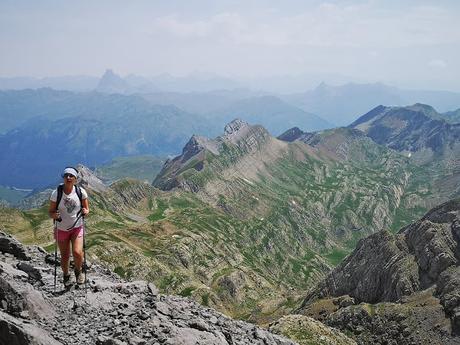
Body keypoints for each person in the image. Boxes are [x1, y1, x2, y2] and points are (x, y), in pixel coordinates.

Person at [48, 167, 89, 286]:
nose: (68, 178)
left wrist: (85, 212)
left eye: (71, 176)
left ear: (76, 179)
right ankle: (66, 274)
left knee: (77, 252)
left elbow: (86, 209)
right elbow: (50, 211)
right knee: (65, 256)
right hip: (61, 228)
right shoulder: (56, 193)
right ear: (63, 178)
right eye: (66, 176)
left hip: (77, 227)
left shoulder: (81, 192)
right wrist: (54, 215)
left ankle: (78, 271)